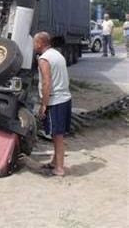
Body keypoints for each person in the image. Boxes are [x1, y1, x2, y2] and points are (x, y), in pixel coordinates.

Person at [33, 32, 72, 177]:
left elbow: (46, 82)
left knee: (57, 135)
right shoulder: (57, 54)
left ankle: (60, 169)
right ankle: (55, 162)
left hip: (55, 101)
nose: (33, 45)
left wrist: (44, 104)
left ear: (40, 43)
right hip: (65, 97)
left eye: (34, 42)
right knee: (59, 133)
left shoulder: (44, 59)